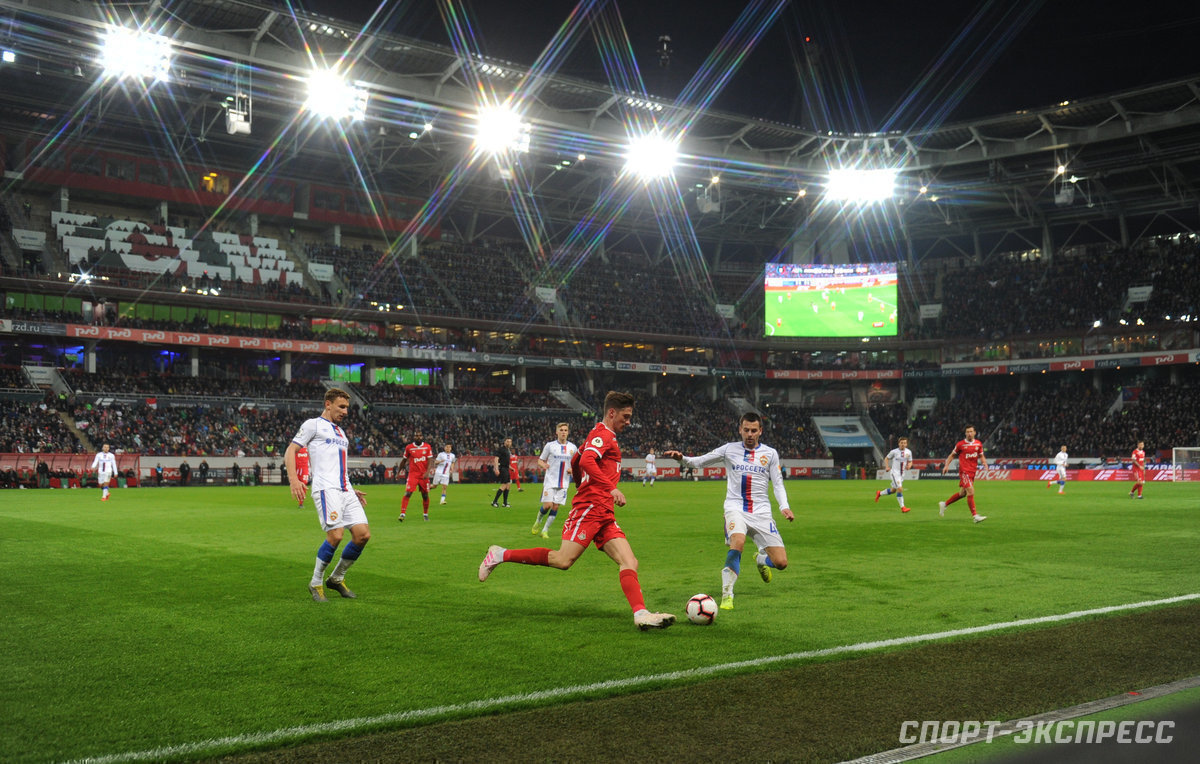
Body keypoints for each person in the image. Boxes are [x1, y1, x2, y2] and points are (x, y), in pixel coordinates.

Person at [479, 391, 675, 631]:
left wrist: (583, 484)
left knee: (629, 561)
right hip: (590, 508)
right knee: (563, 560)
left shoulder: (599, 434)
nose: (628, 421)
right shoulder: (603, 435)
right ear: (611, 413)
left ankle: (641, 614)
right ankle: (500, 554)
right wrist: (609, 488)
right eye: (625, 416)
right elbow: (585, 461)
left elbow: (576, 460)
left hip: (603, 512)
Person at [665, 412, 794, 611]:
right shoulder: (728, 450)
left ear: (760, 431)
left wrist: (784, 506)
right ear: (740, 430)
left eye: (753, 430)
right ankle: (727, 594)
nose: (749, 434)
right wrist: (681, 458)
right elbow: (699, 461)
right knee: (738, 542)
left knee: (781, 562)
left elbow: (777, 484)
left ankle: (760, 559)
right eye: (746, 430)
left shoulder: (770, 453)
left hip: (761, 512)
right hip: (735, 508)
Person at [285, 387, 370, 603]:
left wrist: (352, 489)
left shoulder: (341, 433)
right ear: (328, 404)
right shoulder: (313, 425)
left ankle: (337, 578)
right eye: (341, 407)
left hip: (345, 488)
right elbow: (290, 451)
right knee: (336, 536)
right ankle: (315, 582)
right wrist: (295, 479)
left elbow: (338, 465)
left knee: (362, 535)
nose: (345, 411)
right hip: (326, 488)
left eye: (347, 407)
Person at [532, 422, 577, 539]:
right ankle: (538, 521)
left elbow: (576, 464)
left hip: (564, 482)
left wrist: (572, 469)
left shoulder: (573, 447)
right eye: (561, 430)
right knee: (547, 505)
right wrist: (544, 465)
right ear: (557, 432)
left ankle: (545, 530)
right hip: (550, 481)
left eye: (565, 430)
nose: (563, 432)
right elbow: (540, 460)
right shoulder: (550, 445)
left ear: (568, 432)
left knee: (555, 506)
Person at [939, 425, 987, 523]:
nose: (969, 434)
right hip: (964, 471)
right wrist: (946, 465)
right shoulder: (961, 444)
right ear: (965, 433)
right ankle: (975, 516)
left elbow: (981, 456)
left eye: (971, 431)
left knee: (962, 493)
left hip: (972, 472)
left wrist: (984, 463)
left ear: (974, 433)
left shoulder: (978, 444)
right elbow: (952, 455)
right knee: (971, 491)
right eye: (967, 432)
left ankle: (944, 504)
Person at [398, 430, 433, 522]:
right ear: (414, 437)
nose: (418, 437)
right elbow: (404, 460)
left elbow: (430, 460)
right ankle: (402, 514)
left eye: (420, 435)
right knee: (408, 493)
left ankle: (425, 514)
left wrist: (427, 472)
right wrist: (398, 472)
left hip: (423, 475)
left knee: (425, 495)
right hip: (413, 474)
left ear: (422, 437)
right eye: (416, 436)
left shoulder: (427, 447)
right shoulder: (409, 447)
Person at [875, 436, 913, 512]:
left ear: (906, 444)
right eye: (901, 443)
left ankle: (880, 493)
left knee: (893, 490)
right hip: (895, 473)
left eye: (904, 443)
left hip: (902, 474)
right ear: (899, 443)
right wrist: (887, 467)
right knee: (900, 489)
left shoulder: (909, 452)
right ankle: (903, 508)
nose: (903, 444)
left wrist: (909, 465)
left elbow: (910, 461)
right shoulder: (894, 451)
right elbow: (886, 458)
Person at [491, 437, 513, 508]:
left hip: (506, 468)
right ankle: (494, 502)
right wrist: (496, 468)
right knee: (504, 485)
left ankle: (505, 503)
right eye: (507, 441)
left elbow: (505, 461)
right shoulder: (501, 449)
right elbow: (496, 459)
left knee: (508, 485)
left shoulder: (508, 450)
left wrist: (511, 468)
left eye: (510, 442)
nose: (509, 443)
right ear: (504, 442)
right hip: (503, 469)